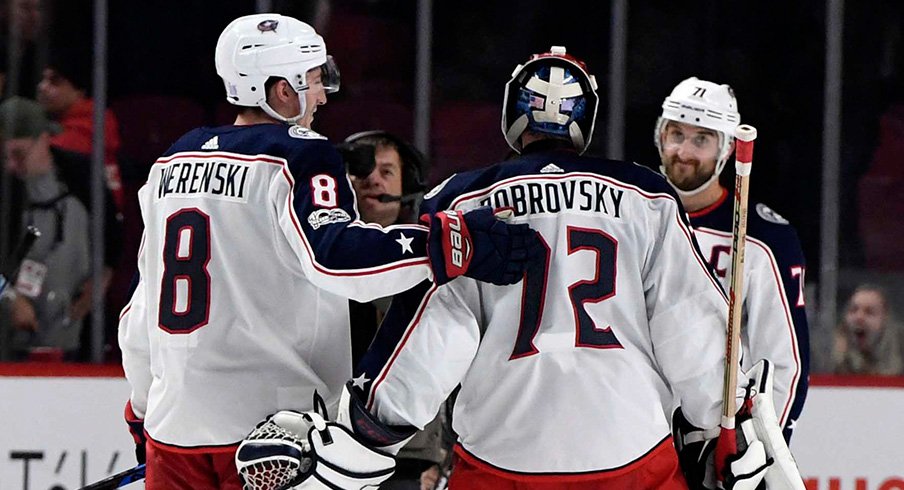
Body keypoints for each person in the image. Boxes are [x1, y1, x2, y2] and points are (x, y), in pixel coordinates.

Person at [237, 46, 807, 490]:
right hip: (629, 453)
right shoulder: (647, 198)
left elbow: (436, 335)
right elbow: (689, 327)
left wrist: (369, 427)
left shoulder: (464, 199)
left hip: (503, 456)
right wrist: (721, 423)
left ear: (513, 114)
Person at [117, 14, 536, 490]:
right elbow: (335, 257)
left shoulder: (171, 163)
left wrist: (143, 413)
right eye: (314, 81)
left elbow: (140, 310)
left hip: (175, 432)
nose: (322, 96)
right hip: (275, 440)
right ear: (281, 91)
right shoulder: (298, 154)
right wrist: (452, 243)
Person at [653, 77, 810, 442]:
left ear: (726, 149)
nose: (684, 151)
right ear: (659, 136)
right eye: (676, 134)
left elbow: (784, 361)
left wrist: (765, 449)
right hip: (634, 435)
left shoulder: (765, 239)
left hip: (711, 436)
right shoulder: (632, 218)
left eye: (702, 140)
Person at [341, 130, 449, 490]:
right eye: (363, 170)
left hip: (409, 456)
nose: (373, 179)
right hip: (328, 447)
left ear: (408, 184)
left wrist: (444, 452)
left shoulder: (432, 262)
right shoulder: (311, 259)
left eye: (386, 172)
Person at [0, 96, 120, 361]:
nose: (10, 164)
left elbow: (112, 236)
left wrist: (101, 280)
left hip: (78, 322)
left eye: (18, 154)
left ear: (44, 139)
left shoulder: (83, 175)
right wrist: (8, 297)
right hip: (11, 334)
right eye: (3, 155)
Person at [37, 46, 125, 210]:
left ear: (79, 91)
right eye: (43, 79)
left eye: (55, 82)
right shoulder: (61, 123)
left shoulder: (90, 129)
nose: (42, 87)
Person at [833, 284, 903, 375]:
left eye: (869, 312)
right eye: (853, 310)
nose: (859, 317)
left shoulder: (900, 350)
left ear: (885, 320)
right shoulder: (829, 355)